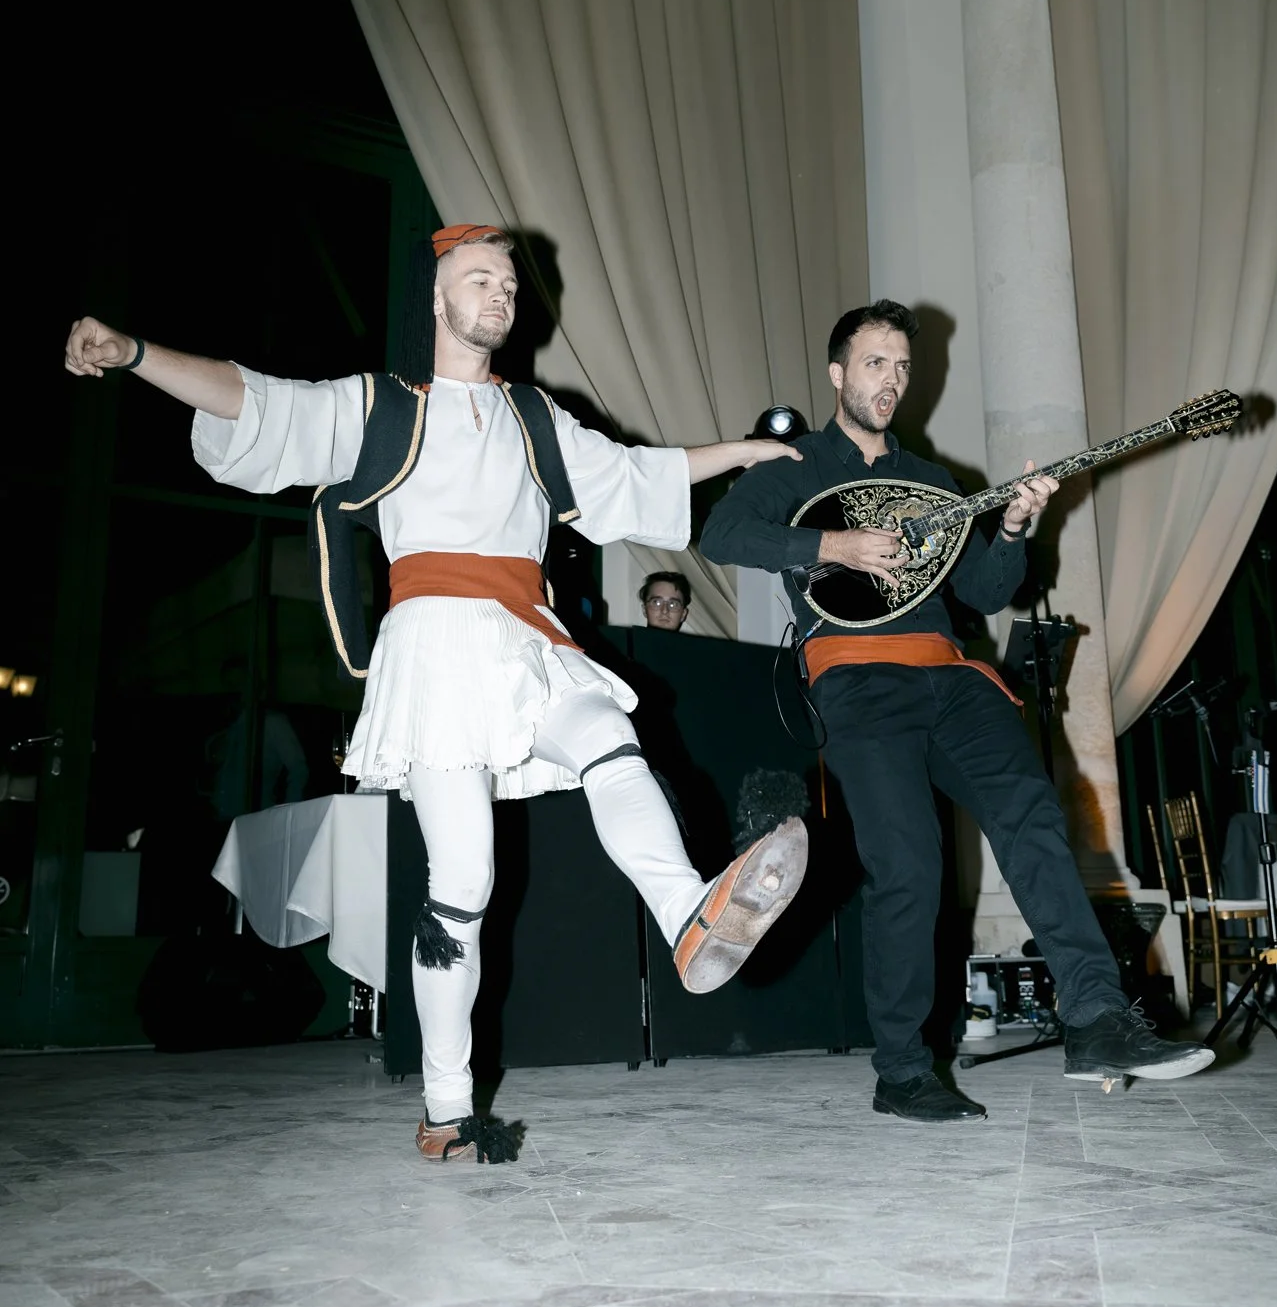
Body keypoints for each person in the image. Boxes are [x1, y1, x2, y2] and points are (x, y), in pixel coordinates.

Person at [64, 226, 809, 1159]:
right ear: (437, 299)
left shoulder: (535, 416)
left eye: (507, 283)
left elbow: (633, 473)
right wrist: (135, 353)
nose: (499, 295)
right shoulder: (381, 406)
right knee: (462, 885)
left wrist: (739, 453)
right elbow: (259, 403)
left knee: (612, 742)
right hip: (437, 648)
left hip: (532, 641)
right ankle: (447, 1106)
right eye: (479, 280)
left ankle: (688, 921)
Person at [700, 298, 1214, 1123]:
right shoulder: (793, 468)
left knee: (1034, 819)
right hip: (857, 682)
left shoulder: (934, 483)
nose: (891, 381)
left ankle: (1094, 1020)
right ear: (836, 374)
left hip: (952, 677)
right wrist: (832, 546)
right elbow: (720, 534)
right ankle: (901, 1069)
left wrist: (1011, 528)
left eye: (902, 367)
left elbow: (980, 592)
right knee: (908, 866)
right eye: (875, 363)